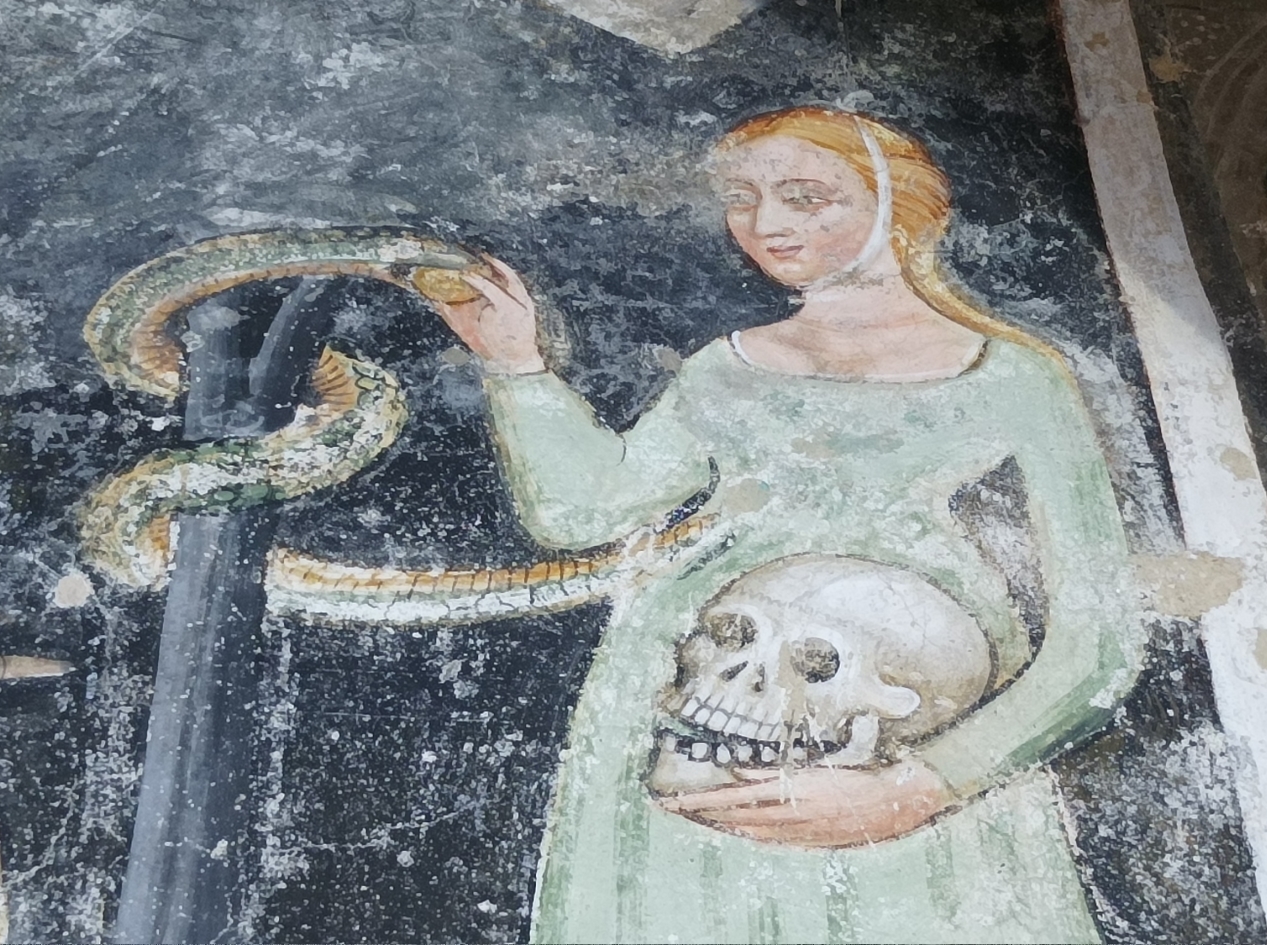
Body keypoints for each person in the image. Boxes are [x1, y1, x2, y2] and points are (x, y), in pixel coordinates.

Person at [434, 105, 1138, 944]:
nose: (765, 224)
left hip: (893, 729)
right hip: (695, 709)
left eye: (806, 197)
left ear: (899, 204)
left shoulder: (1016, 378)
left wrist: (924, 784)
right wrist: (517, 365)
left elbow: (1099, 644)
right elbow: (581, 511)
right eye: (742, 198)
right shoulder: (725, 369)